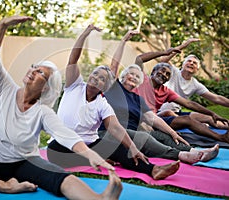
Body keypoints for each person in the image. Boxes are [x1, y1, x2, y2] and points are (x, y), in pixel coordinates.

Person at [0, 16, 124, 200]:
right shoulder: (5, 89)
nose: (33, 71)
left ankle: (100, 199)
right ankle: (6, 186)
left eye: (40, 72)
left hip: (25, 163)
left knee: (61, 177)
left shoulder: (42, 111)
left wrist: (89, 153)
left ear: (45, 87)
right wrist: (3, 25)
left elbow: (65, 135)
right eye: (34, 67)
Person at [47, 24, 180, 181]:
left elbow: (115, 128)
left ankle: (153, 169)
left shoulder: (103, 103)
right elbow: (73, 59)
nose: (96, 78)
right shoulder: (74, 86)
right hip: (63, 146)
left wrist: (133, 147)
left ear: (106, 86)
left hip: (89, 144)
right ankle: (99, 158)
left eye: (102, 78)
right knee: (54, 151)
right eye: (95, 73)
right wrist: (85, 34)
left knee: (116, 146)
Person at [100, 31, 218, 163]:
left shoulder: (137, 99)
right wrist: (124, 40)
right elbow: (115, 64)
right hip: (111, 133)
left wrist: (172, 132)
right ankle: (181, 155)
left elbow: (153, 118)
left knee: (163, 136)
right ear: (123, 75)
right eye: (131, 74)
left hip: (133, 132)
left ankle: (194, 151)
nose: (134, 77)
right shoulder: (114, 88)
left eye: (137, 76)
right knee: (145, 137)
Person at [131, 49, 229, 144]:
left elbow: (189, 104)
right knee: (158, 134)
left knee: (187, 119)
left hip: (155, 120)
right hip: (136, 118)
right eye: (162, 71)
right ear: (153, 72)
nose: (164, 75)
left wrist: (212, 113)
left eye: (167, 74)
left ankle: (222, 138)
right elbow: (139, 59)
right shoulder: (142, 80)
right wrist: (165, 52)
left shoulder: (166, 91)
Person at [158, 38, 229, 129]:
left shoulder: (195, 84)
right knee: (170, 114)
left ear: (197, 69)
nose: (191, 63)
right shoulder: (173, 72)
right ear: (183, 65)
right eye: (189, 61)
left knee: (209, 118)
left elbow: (216, 98)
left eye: (194, 63)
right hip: (160, 112)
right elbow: (163, 60)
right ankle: (194, 124)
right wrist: (183, 46)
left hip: (177, 113)